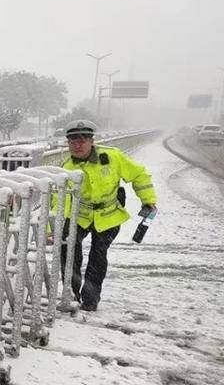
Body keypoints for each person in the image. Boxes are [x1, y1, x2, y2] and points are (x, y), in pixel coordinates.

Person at [59, 119, 156, 311]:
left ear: (92, 141)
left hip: (109, 215)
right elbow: (58, 201)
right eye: (72, 141)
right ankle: (71, 293)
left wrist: (148, 199)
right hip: (80, 216)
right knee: (68, 250)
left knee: (98, 255)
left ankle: (90, 299)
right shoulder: (66, 168)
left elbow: (139, 175)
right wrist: (51, 228)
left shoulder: (112, 157)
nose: (77, 145)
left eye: (82, 140)